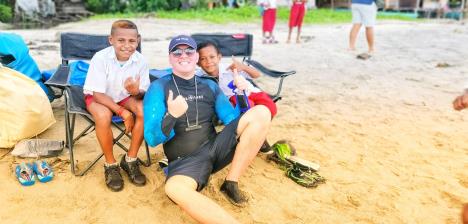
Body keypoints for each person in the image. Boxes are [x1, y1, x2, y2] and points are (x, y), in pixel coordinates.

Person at [144, 35, 271, 223]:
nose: (183, 55)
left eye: (189, 51)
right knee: (174, 189)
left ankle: (231, 182)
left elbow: (233, 120)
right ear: (170, 58)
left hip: (215, 148)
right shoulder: (158, 87)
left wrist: (241, 94)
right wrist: (172, 115)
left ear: (196, 57)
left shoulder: (209, 85)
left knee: (261, 112)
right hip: (184, 161)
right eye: (177, 52)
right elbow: (152, 139)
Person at [83, 20, 150, 192]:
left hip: (123, 96)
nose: (127, 45)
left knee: (143, 110)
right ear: (111, 40)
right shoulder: (100, 58)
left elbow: (143, 92)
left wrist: (136, 91)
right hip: (99, 97)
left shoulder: (140, 60)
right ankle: (110, 165)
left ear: (138, 40)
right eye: (121, 40)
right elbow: (97, 93)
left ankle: (130, 160)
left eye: (132, 41)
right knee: (103, 116)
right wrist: (123, 113)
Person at [197, 41, 277, 118]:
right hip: (231, 99)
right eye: (203, 59)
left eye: (212, 57)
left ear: (219, 57)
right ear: (198, 63)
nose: (208, 61)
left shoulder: (231, 67)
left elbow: (257, 75)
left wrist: (243, 67)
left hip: (250, 92)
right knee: (248, 106)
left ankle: (261, 121)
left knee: (271, 107)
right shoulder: (198, 76)